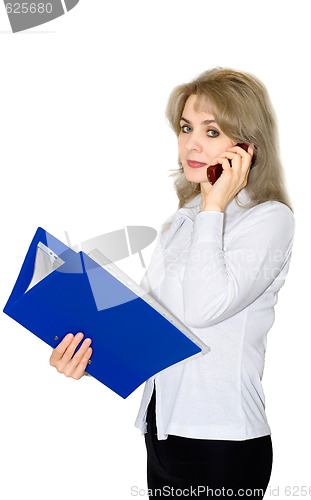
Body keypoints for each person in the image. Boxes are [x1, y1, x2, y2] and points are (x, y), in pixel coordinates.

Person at [49, 68, 295, 499]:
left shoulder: (269, 219)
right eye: (186, 128)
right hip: (162, 433)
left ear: (247, 147)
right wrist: (86, 356)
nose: (192, 144)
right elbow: (153, 331)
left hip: (223, 443)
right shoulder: (181, 223)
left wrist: (214, 204)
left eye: (212, 131)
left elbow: (205, 308)